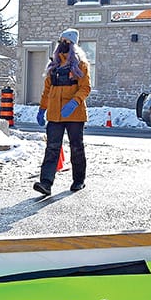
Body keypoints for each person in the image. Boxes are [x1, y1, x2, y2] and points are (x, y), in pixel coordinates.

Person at [34, 28, 91, 196]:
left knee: (76, 147)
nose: (62, 45)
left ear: (73, 44)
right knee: (52, 148)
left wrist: (74, 102)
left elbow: (85, 87)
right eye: (61, 41)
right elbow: (46, 90)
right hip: (54, 114)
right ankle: (46, 183)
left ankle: (79, 180)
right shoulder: (53, 65)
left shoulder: (80, 65)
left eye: (66, 42)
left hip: (74, 114)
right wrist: (42, 109)